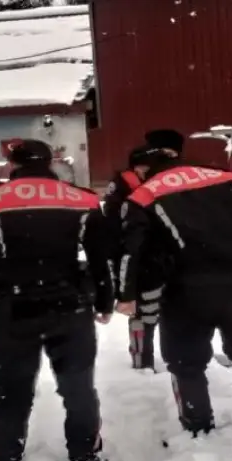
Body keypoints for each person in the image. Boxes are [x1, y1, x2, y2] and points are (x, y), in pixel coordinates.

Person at [0, 139, 114, 461]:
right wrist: (105, 300)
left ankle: (5, 459)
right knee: (78, 388)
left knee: (14, 389)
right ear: (52, 163)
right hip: (69, 306)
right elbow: (102, 256)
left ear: (12, 164)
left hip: (14, 306)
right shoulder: (82, 198)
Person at [115, 133, 232, 436]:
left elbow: (130, 250)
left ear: (147, 168)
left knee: (186, 362)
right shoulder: (226, 179)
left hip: (185, 292)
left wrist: (126, 294)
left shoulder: (144, 196)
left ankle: (198, 428)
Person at [102, 145, 164, 370]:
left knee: (161, 309)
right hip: (135, 255)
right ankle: (142, 360)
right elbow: (111, 223)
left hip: (160, 256)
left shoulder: (157, 182)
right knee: (141, 312)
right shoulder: (120, 186)